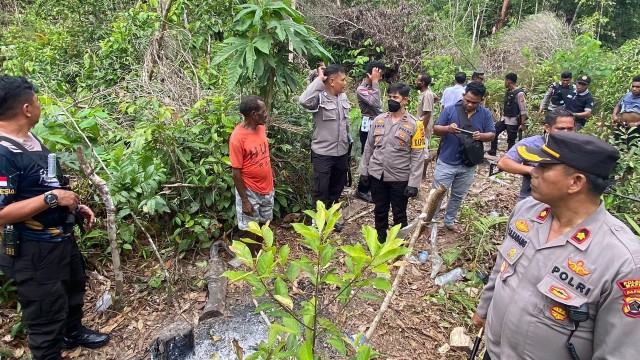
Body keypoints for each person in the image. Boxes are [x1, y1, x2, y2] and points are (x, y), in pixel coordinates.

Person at [472, 131, 640, 360]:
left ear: (576, 182)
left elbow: (619, 351)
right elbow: (502, 267)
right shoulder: (527, 212)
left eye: (544, 167)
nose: (533, 171)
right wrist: (484, 310)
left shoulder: (622, 260)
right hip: (495, 352)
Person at [0, 75, 109, 360]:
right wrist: (53, 199)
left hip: (59, 238)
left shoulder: (28, 138)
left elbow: (42, 185)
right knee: (45, 315)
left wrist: (71, 206)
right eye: (36, 101)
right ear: (25, 109)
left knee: (73, 287)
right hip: (33, 249)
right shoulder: (4, 153)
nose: (39, 106)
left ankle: (72, 332)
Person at [358, 83, 425, 242]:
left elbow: (417, 155)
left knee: (399, 213)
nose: (391, 100)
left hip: (399, 178)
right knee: (379, 211)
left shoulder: (415, 125)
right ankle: (380, 242)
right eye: (389, 97)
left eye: (395, 97)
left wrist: (413, 183)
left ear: (405, 100)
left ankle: (399, 244)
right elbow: (368, 147)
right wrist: (364, 172)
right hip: (377, 175)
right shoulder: (379, 120)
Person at [432, 82, 496, 233]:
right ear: (463, 96)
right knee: (437, 195)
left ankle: (449, 221)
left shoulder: (485, 113)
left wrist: (481, 136)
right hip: (447, 161)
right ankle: (429, 223)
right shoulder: (450, 110)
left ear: (482, 100)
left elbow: (491, 134)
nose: (470, 104)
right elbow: (436, 129)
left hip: (468, 164)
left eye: (475, 102)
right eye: (467, 100)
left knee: (458, 195)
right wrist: (448, 129)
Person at [299, 64, 351, 230]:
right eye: (342, 80)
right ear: (332, 81)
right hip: (323, 153)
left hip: (341, 152)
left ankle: (329, 218)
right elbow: (303, 101)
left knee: (336, 188)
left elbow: (346, 125)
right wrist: (319, 80)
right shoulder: (319, 97)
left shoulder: (343, 97)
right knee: (321, 190)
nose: (345, 83)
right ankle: (317, 224)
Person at [497, 109, 575, 201]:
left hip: (563, 203)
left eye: (570, 129)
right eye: (560, 129)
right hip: (531, 201)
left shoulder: (576, 147)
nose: (566, 133)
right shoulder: (531, 144)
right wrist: (533, 170)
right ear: (547, 128)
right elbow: (503, 163)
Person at [230, 96, 274, 249]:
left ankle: (260, 251)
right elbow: (235, 172)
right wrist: (245, 200)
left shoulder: (261, 128)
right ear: (254, 114)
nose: (266, 114)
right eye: (263, 111)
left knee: (265, 221)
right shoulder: (237, 138)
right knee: (250, 226)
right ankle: (252, 258)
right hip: (250, 190)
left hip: (267, 187)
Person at [354, 61, 386, 203]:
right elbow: (375, 103)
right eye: (379, 74)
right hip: (368, 125)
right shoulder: (361, 89)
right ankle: (362, 189)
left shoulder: (373, 87)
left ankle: (372, 187)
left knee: (376, 155)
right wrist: (375, 82)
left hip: (377, 124)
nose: (380, 78)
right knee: (367, 156)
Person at [488, 73, 527, 156]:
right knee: (494, 130)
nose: (504, 82)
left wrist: (523, 124)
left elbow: (523, 110)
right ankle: (493, 150)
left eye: (505, 80)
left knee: (511, 140)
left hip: (513, 120)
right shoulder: (509, 92)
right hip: (505, 119)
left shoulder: (519, 94)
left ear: (509, 81)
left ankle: (510, 156)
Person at [415, 73, 438, 178]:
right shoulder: (425, 93)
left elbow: (427, 114)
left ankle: (423, 175)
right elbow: (436, 98)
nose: (416, 82)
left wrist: (422, 130)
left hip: (423, 127)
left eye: (417, 80)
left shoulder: (427, 95)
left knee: (424, 151)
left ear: (422, 83)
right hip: (420, 125)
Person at [612, 75, 640, 147]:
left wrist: (636, 124)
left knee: (633, 149)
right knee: (616, 147)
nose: (634, 89)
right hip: (622, 126)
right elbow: (618, 105)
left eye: (637, 87)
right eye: (633, 86)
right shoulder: (627, 95)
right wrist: (614, 115)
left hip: (636, 129)